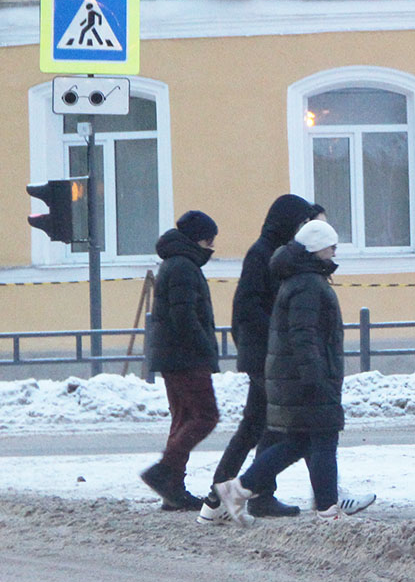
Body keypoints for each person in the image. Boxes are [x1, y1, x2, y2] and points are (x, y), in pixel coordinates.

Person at [215, 220, 373, 525]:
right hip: (309, 377)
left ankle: (237, 490)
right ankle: (327, 510)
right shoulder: (308, 284)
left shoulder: (302, 279)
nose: (334, 252)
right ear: (316, 248)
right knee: (324, 438)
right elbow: (304, 337)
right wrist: (315, 378)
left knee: (297, 443)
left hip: (301, 376)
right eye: (331, 246)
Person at [199, 194, 314, 523]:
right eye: (300, 222)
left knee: (257, 426)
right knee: (273, 426)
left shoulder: (273, 253)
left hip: (266, 354)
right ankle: (250, 494)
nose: (302, 229)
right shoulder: (262, 255)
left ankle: (223, 493)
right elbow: (248, 310)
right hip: (264, 355)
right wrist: (275, 341)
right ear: (287, 221)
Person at [141, 211, 221, 511]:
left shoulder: (174, 263)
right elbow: (184, 315)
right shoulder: (184, 267)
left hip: (174, 356)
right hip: (186, 357)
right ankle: (164, 473)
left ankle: (172, 488)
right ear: (196, 238)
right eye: (208, 239)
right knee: (205, 416)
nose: (211, 246)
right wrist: (205, 348)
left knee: (185, 418)